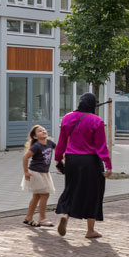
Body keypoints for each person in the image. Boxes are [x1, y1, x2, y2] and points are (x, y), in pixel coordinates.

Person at [54, 92, 113, 238]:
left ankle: (66, 215)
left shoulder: (67, 117)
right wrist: (108, 164)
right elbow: (101, 146)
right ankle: (90, 230)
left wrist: (57, 159)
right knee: (93, 193)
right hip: (90, 161)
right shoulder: (96, 120)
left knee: (72, 189)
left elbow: (61, 142)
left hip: (72, 159)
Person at [20, 124, 56, 227]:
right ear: (35, 137)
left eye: (44, 130)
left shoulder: (50, 143)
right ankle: (42, 218)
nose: (43, 131)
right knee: (45, 194)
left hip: (44, 173)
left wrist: (62, 158)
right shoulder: (36, 146)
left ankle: (28, 218)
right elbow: (25, 157)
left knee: (36, 196)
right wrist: (26, 172)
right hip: (35, 173)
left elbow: (59, 149)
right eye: (40, 131)